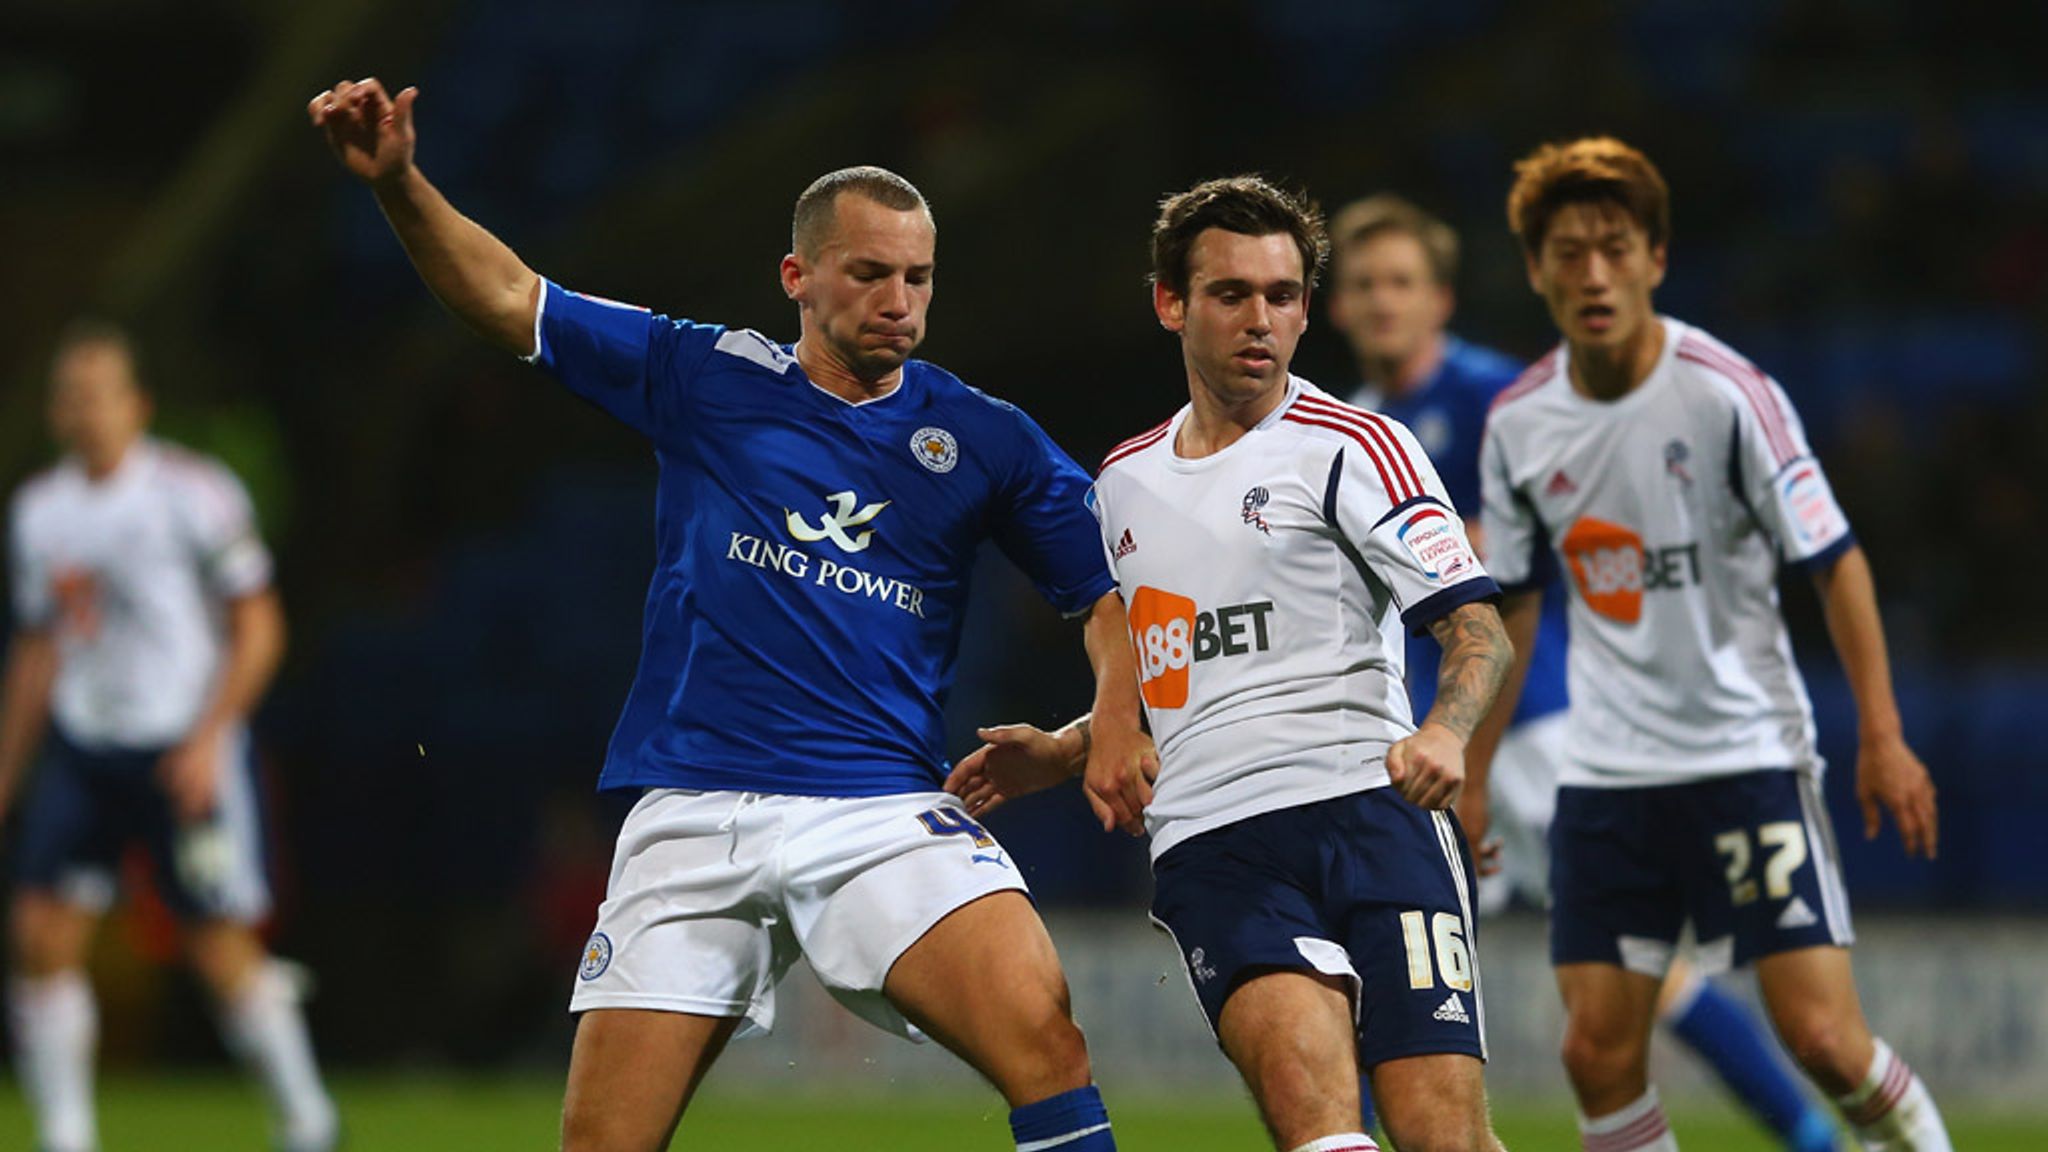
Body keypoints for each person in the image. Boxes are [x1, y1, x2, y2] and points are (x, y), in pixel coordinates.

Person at [309, 77, 1150, 1152]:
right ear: (797, 277)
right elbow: (510, 296)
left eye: (917, 277)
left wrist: (1112, 715)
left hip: (878, 813)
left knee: (1047, 1044)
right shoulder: (702, 374)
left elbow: (1107, 598)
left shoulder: (981, 438)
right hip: (694, 810)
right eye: (869, 273)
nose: (899, 298)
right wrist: (398, 186)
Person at [950, 176, 1513, 1152]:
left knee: (1441, 1137)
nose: (1261, 319)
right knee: (1317, 1123)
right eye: (1230, 294)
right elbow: (1185, 674)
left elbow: (1474, 627)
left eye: (1282, 295)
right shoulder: (1122, 485)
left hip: (1371, 816)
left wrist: (1445, 731)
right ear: (1170, 303)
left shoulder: (1356, 448)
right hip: (1217, 843)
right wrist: (1066, 751)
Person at [1468, 136, 1950, 1152]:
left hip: (1743, 758)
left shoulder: (1724, 392)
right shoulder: (1518, 422)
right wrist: (1471, 771)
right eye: (1567, 252)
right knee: (1593, 1056)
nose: (1590, 273)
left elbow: (1833, 559)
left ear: (1654, 257)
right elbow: (1510, 605)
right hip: (1603, 777)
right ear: (1533, 269)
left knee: (1820, 1036)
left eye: (1612, 247)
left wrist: (1881, 733)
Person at [1330, 193, 1840, 1152]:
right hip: (1420, 736)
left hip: (1535, 721)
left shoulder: (1499, 396)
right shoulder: (1347, 426)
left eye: (1399, 281)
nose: (1381, 301)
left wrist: (1455, 550)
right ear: (1338, 308)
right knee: (1388, 969)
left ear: (1440, 299)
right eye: (1361, 285)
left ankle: (1808, 1133)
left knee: (1655, 969)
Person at [0, 322, 338, 1152]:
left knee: (217, 946)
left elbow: (259, 626)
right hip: (85, 747)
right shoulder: (39, 513)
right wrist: (8, 766)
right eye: (68, 395)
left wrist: (208, 738)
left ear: (137, 403)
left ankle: (307, 1120)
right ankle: (67, 1136)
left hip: (180, 747)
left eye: (98, 393)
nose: (83, 411)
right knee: (40, 933)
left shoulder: (193, 493)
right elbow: (40, 645)